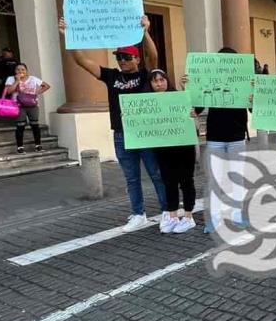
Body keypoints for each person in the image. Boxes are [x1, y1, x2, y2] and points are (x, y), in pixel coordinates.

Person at [57, 16, 170, 233]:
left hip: (145, 133)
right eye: (118, 57)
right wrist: (68, 36)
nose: (122, 61)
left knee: (156, 173)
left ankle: (167, 209)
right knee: (131, 178)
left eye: (127, 57)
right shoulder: (111, 75)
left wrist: (145, 32)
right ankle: (138, 214)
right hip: (121, 134)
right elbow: (82, 61)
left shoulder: (147, 76)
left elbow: (153, 55)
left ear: (137, 59)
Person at [182, 47, 250, 230]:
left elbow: (253, 108)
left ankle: (238, 214)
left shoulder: (244, 83)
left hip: (237, 136)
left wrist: (254, 95)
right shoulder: (209, 82)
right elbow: (196, 107)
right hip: (215, 137)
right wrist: (187, 88)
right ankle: (214, 218)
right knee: (215, 179)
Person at [148, 69, 197, 233]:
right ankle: (173, 216)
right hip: (163, 149)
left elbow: (194, 116)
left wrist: (192, 113)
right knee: (169, 182)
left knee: (186, 181)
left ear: (167, 80)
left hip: (184, 147)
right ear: (151, 84)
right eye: (155, 81)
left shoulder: (179, 97)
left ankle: (189, 217)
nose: (159, 84)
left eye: (162, 80)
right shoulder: (147, 103)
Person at [3, 63, 51, 153]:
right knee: (20, 126)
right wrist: (17, 81)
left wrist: (37, 92)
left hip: (32, 105)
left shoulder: (33, 79)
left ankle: (38, 145)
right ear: (15, 71)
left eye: (23, 69)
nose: (20, 71)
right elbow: (9, 91)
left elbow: (46, 86)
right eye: (18, 69)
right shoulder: (11, 79)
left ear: (26, 71)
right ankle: (20, 147)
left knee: (35, 125)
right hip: (19, 106)